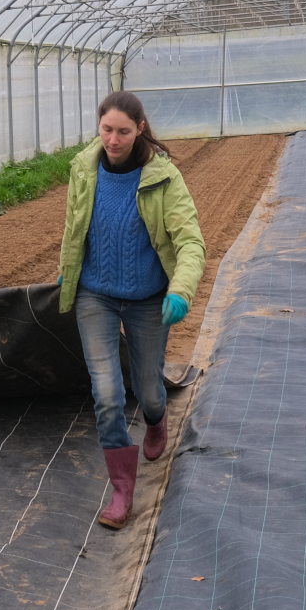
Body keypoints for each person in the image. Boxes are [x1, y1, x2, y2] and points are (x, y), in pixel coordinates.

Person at [57, 91, 205, 530]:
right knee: (106, 393)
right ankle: (122, 491)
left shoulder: (164, 178)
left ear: (140, 128)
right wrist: (68, 269)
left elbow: (191, 241)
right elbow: (73, 224)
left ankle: (157, 420)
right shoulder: (84, 169)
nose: (114, 139)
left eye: (123, 131)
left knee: (149, 390)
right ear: (98, 126)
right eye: (106, 130)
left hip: (146, 299)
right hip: (95, 295)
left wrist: (180, 289)